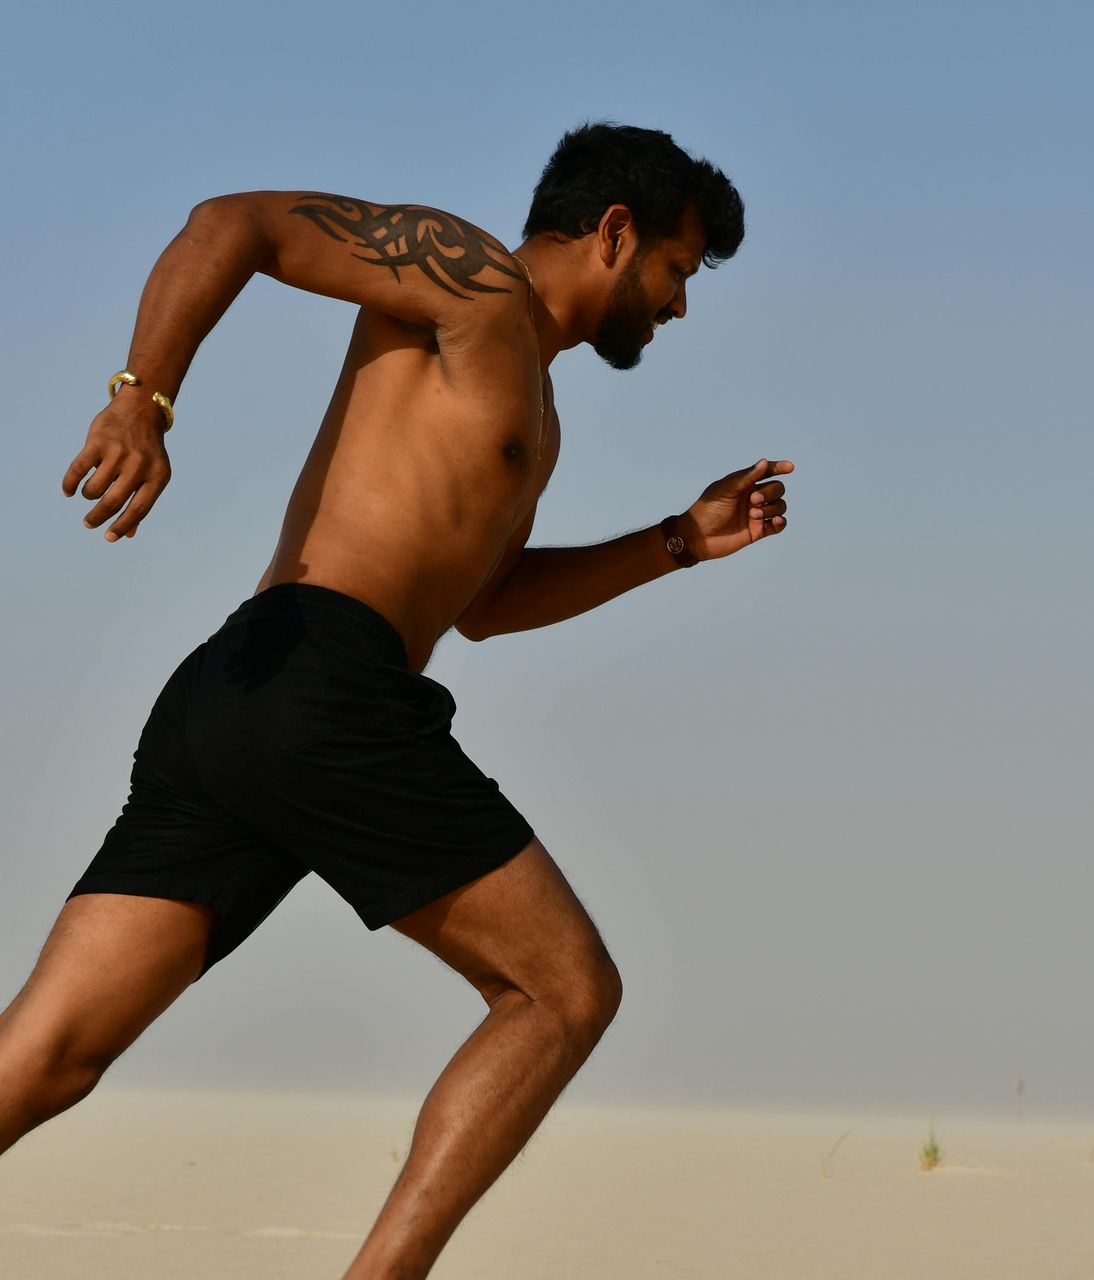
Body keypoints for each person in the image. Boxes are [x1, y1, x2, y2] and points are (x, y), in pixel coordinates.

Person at [0, 121, 790, 1278]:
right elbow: (236, 222)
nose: (678, 307)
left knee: (49, 1054)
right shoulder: (468, 281)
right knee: (561, 989)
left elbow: (485, 602)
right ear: (615, 234)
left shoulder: (537, 408)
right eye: (677, 270)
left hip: (238, 696)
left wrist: (675, 541)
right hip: (325, 679)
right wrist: (143, 400)